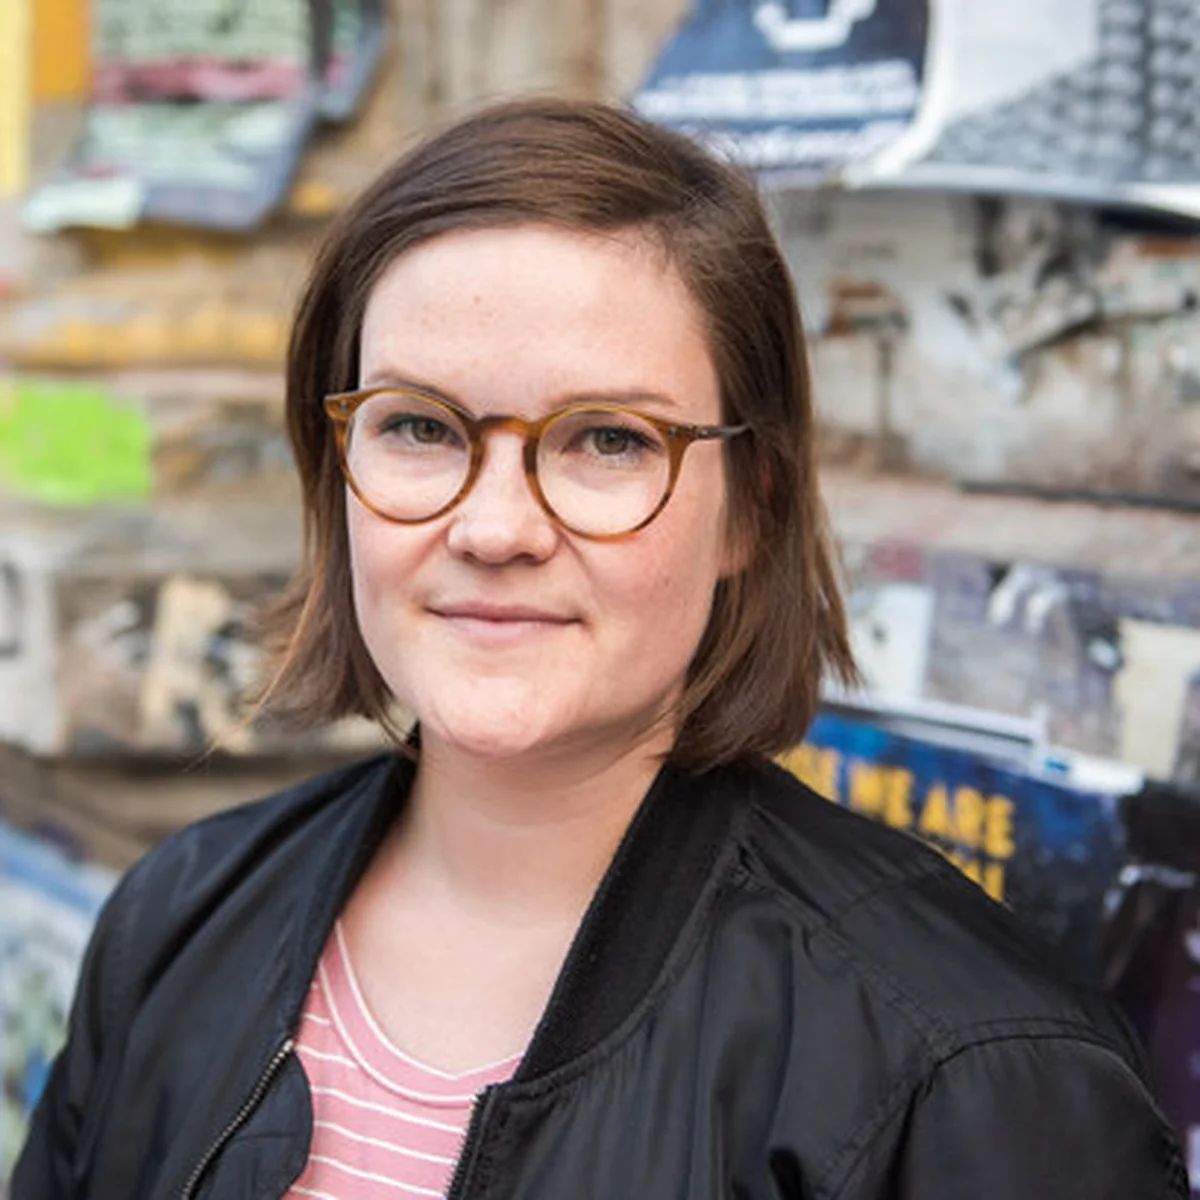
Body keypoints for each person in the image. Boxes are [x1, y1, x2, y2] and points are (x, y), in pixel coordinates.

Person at [14, 98, 1185, 1200]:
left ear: (751, 508)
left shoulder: (973, 1073)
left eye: (608, 440)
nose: (495, 529)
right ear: (338, 474)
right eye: (419, 425)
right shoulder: (178, 918)